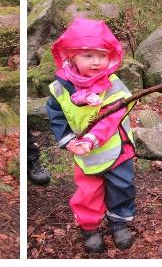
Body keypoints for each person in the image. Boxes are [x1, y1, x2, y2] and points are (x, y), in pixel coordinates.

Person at [45, 17, 136, 254]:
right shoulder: (59, 88)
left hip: (117, 149)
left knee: (121, 186)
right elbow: (57, 116)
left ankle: (119, 222)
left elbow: (110, 117)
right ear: (71, 56)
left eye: (102, 55)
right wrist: (69, 142)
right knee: (87, 190)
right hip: (83, 154)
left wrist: (90, 139)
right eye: (88, 55)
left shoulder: (114, 86)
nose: (97, 62)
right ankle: (90, 227)